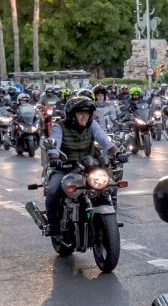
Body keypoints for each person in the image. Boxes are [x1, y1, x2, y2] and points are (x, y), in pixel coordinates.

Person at [42, 96, 118, 232]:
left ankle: (111, 219)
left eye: (87, 113)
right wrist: (54, 157)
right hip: (65, 167)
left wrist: (117, 153)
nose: (84, 117)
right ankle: (52, 224)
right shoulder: (60, 127)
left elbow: (104, 140)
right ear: (72, 115)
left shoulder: (92, 125)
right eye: (80, 113)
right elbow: (54, 142)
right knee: (53, 190)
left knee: (111, 185)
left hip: (88, 167)